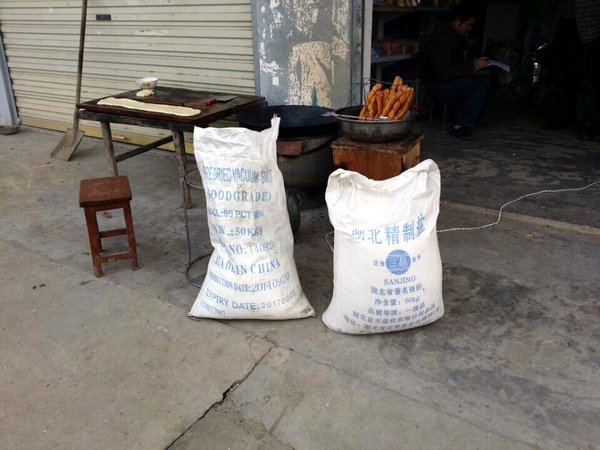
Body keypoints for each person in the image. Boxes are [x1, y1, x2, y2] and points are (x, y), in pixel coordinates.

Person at [419, 4, 494, 139]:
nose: (469, 28)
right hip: (437, 85)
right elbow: (443, 72)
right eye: (468, 25)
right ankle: (461, 126)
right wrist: (473, 66)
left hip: (450, 80)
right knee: (476, 87)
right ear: (457, 21)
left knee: (488, 82)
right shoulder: (442, 39)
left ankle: (473, 118)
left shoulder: (455, 35)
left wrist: (473, 63)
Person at [545, 0, 599, 141]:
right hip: (562, 21)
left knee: (585, 78)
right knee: (559, 75)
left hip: (588, 25)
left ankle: (587, 125)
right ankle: (561, 117)